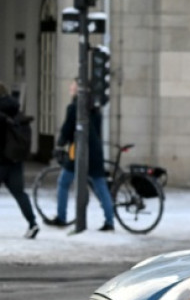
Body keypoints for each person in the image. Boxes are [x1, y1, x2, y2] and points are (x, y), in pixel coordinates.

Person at [47, 79, 115, 231]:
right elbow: (97, 131)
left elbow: (67, 129)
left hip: (80, 152)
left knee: (63, 182)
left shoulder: (74, 107)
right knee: (100, 186)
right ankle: (110, 221)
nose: (71, 87)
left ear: (79, 89)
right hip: (95, 152)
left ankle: (61, 217)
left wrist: (59, 145)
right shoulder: (95, 108)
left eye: (73, 85)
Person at [0, 82, 39, 239]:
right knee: (20, 193)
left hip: (1, 161)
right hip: (16, 160)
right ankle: (33, 223)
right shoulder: (17, 111)